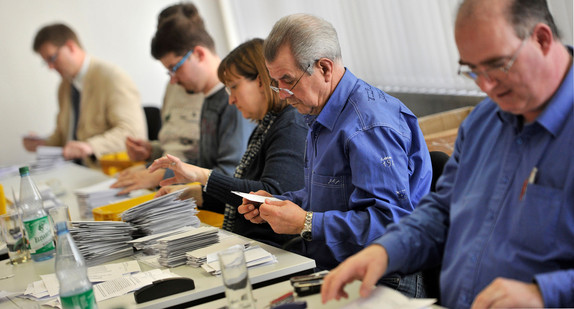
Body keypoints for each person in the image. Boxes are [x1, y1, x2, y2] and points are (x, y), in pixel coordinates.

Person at [321, 0, 574, 308]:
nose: (486, 85)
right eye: (472, 70)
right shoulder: (484, 122)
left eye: (497, 65)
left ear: (543, 39)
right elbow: (443, 212)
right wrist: (385, 251)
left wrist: (544, 293)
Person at [238, 14, 432, 296]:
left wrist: (305, 222)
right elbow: (333, 197)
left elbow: (391, 224)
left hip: (384, 277)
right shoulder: (322, 112)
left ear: (325, 69)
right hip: (335, 268)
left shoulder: (367, 126)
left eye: (288, 80)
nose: (282, 94)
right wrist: (278, 205)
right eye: (275, 82)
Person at [149, 38, 308, 247]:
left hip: (275, 252)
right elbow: (246, 198)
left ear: (260, 80)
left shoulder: (290, 124)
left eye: (234, 87)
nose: (231, 100)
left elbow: (271, 195)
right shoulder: (266, 126)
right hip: (257, 247)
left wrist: (202, 176)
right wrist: (196, 194)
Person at [111, 2, 254, 194]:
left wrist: (164, 176)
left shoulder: (232, 99)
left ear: (198, 54)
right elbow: (203, 162)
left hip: (212, 203)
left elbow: (230, 175)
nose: (173, 80)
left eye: (174, 68)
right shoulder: (206, 94)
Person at [111, 2, 205, 194]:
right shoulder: (173, 86)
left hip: (190, 188)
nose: (173, 78)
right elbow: (175, 142)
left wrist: (160, 174)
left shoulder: (220, 92)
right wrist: (150, 150)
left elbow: (210, 162)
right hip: (165, 180)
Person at [25, 23, 146, 165]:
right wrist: (43, 143)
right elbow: (64, 135)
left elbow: (131, 133)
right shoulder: (65, 86)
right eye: (46, 62)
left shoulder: (112, 77)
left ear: (70, 47)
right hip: (74, 170)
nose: (51, 67)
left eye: (52, 58)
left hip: (109, 172)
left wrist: (90, 146)